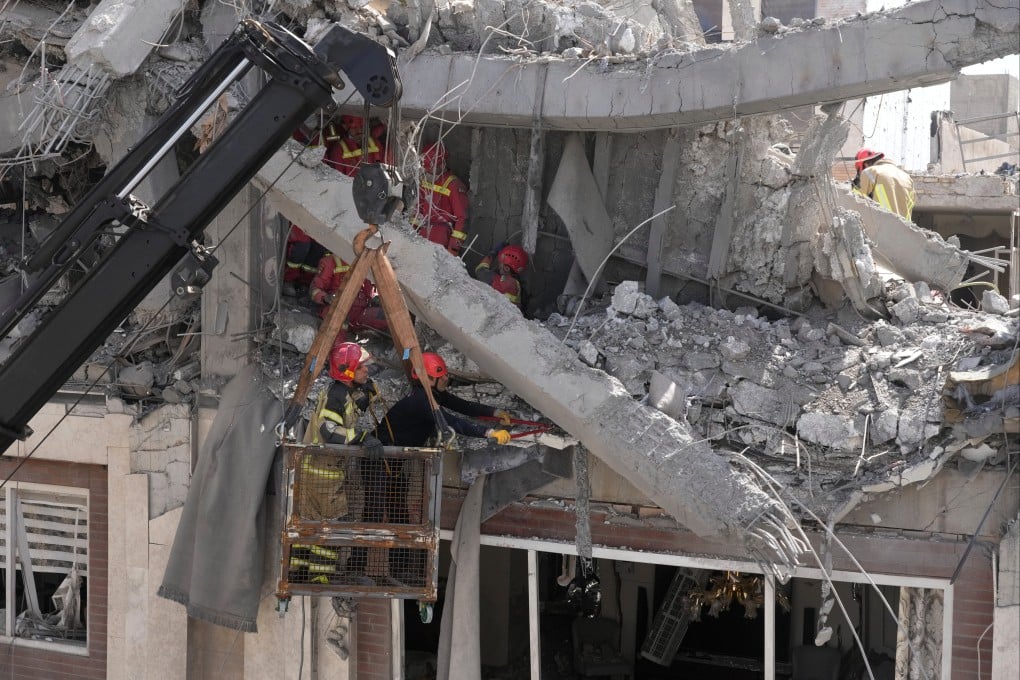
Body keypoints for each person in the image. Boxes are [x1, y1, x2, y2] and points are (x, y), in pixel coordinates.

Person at [375, 352, 513, 448]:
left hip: (393, 453)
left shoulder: (432, 394)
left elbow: (463, 406)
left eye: (445, 374)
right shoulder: (422, 400)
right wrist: (490, 433)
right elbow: (451, 422)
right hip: (381, 454)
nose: (446, 378)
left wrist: (495, 412)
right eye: (440, 376)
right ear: (427, 379)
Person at [308, 252, 388, 342]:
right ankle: (338, 351)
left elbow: (369, 289)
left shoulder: (366, 262)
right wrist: (326, 298)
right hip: (336, 308)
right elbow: (314, 290)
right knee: (338, 317)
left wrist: (375, 299)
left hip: (360, 313)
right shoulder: (330, 262)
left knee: (387, 316)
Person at [412, 142, 470, 255]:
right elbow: (418, 209)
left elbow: (462, 218)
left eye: (431, 169)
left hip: (442, 238)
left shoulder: (454, 185)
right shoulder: (426, 180)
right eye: (426, 169)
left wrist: (454, 247)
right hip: (423, 235)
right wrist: (411, 230)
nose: (428, 172)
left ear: (442, 164)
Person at [852, 149, 916, 221]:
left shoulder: (869, 171)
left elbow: (855, 199)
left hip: (883, 224)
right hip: (904, 228)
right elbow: (910, 205)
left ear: (865, 164)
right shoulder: (907, 177)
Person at [322, 115, 389, 177]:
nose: (359, 131)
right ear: (345, 126)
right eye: (354, 128)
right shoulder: (338, 150)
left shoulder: (375, 143)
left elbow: (385, 169)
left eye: (362, 127)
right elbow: (337, 179)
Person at [474, 243, 528, 308]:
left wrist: (493, 252)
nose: (499, 265)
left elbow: (480, 271)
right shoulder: (516, 284)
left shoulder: (501, 281)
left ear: (506, 268)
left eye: (501, 263)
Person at [282, 224, 326, 297]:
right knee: (302, 244)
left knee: (318, 247)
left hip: (318, 222)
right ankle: (288, 280)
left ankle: (304, 283)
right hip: (298, 220)